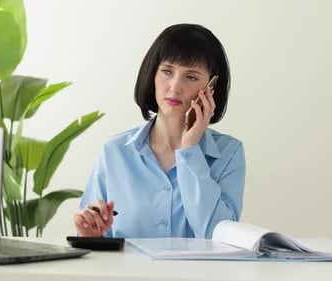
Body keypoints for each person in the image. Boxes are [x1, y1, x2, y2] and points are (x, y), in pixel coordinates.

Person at [73, 23, 245, 239]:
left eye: (190, 77)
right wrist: (89, 233)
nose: (174, 87)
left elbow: (217, 235)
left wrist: (190, 150)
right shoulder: (114, 152)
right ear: (152, 74)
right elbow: (95, 240)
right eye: (166, 72)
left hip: (200, 274)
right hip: (127, 274)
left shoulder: (229, 154)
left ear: (210, 88)